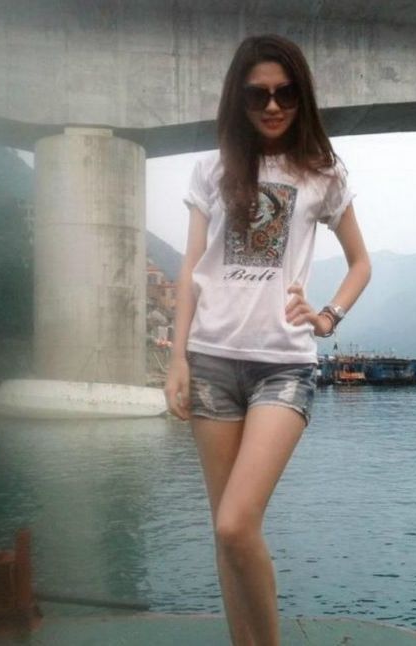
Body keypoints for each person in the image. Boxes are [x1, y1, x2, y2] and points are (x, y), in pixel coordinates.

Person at [165, 34, 371, 646]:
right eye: (259, 95)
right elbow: (191, 267)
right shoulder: (211, 169)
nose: (273, 105)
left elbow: (360, 263)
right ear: (240, 98)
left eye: (285, 93)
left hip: (283, 365)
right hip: (211, 360)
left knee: (236, 523)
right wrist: (177, 358)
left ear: (301, 97)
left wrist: (327, 316)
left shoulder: (323, 174)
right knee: (224, 534)